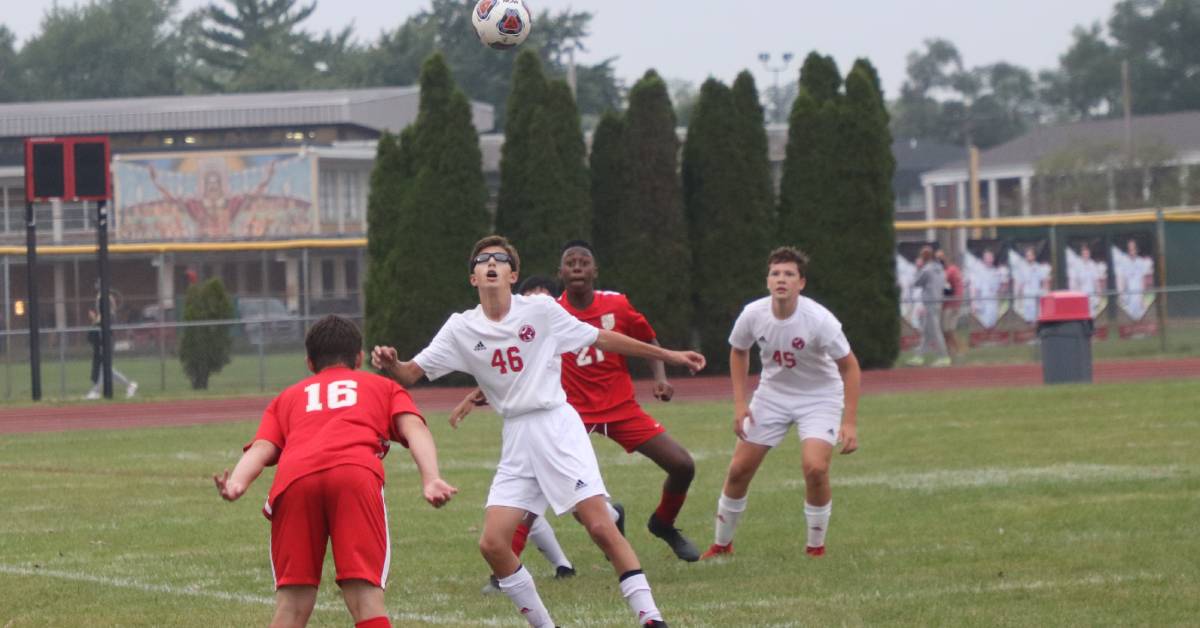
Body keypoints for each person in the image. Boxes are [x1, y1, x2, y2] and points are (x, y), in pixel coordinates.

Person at [372, 235, 704, 628]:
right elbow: (410, 374)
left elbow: (601, 337)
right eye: (483, 260)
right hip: (516, 437)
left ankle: (652, 619)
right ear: (473, 278)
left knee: (600, 525)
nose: (491, 263)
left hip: (556, 424)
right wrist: (391, 362)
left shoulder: (542, 311)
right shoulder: (461, 328)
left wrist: (669, 355)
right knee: (493, 544)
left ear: (513, 275)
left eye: (500, 260)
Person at [454, 241, 701, 566]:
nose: (577, 267)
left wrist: (661, 376)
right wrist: (479, 392)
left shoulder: (617, 305)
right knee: (538, 495)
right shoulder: (544, 312)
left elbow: (645, 337)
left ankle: (663, 524)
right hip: (569, 415)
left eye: (584, 261)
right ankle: (505, 570)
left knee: (683, 464)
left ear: (595, 270)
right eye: (570, 262)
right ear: (561, 273)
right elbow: (515, 362)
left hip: (621, 409)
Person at [213, 315, 457, 628]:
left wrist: (237, 482)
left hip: (294, 480)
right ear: (358, 358)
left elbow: (263, 448)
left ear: (310, 363)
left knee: (291, 606)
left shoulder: (287, 397)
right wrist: (431, 477)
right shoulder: (382, 386)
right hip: (354, 474)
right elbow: (414, 428)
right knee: (365, 597)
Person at [701, 247, 861, 560]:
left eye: (789, 274)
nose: (781, 279)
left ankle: (815, 548)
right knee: (738, 469)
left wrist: (850, 422)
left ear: (801, 283)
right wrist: (739, 403)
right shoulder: (753, 314)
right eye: (776, 274)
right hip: (772, 395)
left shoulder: (819, 320)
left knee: (815, 468)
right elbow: (738, 350)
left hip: (819, 397)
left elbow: (850, 366)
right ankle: (722, 545)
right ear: (767, 281)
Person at [450, 274, 580, 595]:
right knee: (526, 503)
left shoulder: (555, 323)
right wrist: (471, 398)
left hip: (561, 424)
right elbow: (507, 370)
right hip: (530, 428)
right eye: (532, 295)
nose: (538, 300)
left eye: (544, 295)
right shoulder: (520, 329)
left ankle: (508, 574)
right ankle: (559, 563)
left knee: (575, 502)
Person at [85, 291, 138, 399]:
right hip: (100, 344)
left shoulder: (109, 314)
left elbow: (103, 328)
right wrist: (95, 320)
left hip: (106, 344)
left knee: (104, 368)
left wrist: (94, 320)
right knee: (107, 369)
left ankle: (95, 391)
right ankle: (130, 385)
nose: (97, 304)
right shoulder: (102, 315)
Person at [906, 246, 950, 367]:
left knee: (935, 331)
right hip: (938, 302)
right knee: (926, 332)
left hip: (930, 303)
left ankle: (944, 357)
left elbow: (916, 283)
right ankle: (919, 356)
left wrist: (919, 268)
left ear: (924, 258)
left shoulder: (926, 270)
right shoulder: (940, 269)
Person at [935, 249, 964, 358]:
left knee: (948, 330)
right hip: (946, 304)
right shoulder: (946, 271)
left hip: (952, 304)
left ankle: (957, 351)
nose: (939, 261)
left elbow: (956, 287)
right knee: (945, 330)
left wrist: (957, 302)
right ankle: (950, 352)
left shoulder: (951, 270)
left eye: (940, 258)